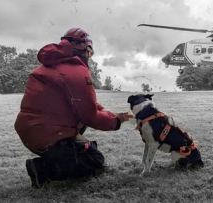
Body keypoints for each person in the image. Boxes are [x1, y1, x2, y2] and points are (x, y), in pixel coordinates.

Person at [14, 28, 129, 189]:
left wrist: (111, 114)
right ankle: (42, 169)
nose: (89, 58)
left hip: (30, 131)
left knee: (89, 152)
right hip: (50, 136)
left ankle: (68, 152)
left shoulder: (46, 66)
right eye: (90, 53)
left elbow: (86, 104)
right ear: (83, 49)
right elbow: (89, 115)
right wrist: (115, 122)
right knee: (96, 161)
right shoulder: (76, 71)